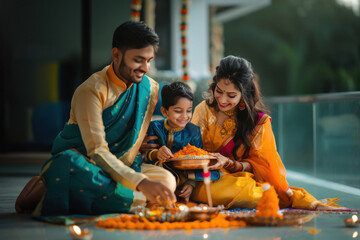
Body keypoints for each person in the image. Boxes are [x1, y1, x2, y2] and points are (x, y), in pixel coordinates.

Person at [23, 21, 177, 216]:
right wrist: (141, 183)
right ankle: (52, 187)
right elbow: (97, 152)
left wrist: (137, 144)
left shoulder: (150, 88)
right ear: (116, 55)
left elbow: (133, 134)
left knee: (167, 182)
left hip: (124, 166)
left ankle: (70, 192)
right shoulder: (91, 91)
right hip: (86, 165)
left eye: (149, 60)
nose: (145, 68)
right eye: (138, 60)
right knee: (69, 164)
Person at [191, 55, 342, 210]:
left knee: (250, 191)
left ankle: (287, 198)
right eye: (219, 91)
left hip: (240, 178)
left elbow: (263, 165)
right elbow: (189, 150)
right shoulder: (203, 110)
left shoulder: (257, 121)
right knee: (239, 192)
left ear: (243, 94)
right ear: (214, 86)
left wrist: (230, 164)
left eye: (231, 95)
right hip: (205, 177)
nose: (222, 100)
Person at [144, 81, 221, 203]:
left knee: (213, 172)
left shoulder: (193, 131)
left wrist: (191, 184)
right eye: (178, 111)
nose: (184, 116)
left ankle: (181, 192)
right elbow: (146, 153)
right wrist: (156, 153)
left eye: (189, 110)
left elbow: (198, 159)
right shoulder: (155, 127)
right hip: (158, 170)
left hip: (184, 173)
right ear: (164, 112)